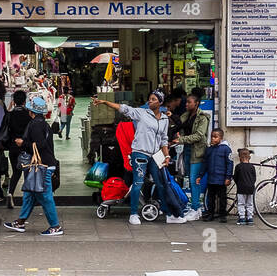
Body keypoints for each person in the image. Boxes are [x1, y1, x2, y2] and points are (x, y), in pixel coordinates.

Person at [92, 91, 186, 225]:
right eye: (149, 99)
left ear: (160, 103)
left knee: (160, 183)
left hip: (155, 155)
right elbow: (122, 108)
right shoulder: (141, 113)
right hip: (140, 153)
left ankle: (169, 214)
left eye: (153, 99)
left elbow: (164, 140)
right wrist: (105, 102)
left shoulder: (164, 119)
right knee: (138, 183)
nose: (150, 101)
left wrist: (167, 156)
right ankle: (133, 214)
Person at [2, 95, 63, 236]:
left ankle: (55, 226)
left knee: (44, 196)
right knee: (29, 194)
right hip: (44, 164)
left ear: (31, 111)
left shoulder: (35, 125)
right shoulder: (43, 123)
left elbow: (39, 145)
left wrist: (22, 143)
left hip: (42, 166)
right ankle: (20, 222)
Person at [172, 92, 210, 217]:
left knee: (194, 180)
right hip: (187, 150)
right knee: (191, 178)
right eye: (186, 102)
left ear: (196, 103)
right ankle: (195, 207)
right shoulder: (186, 115)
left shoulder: (202, 117)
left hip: (197, 152)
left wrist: (181, 139)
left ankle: (195, 208)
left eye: (189, 102)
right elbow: (179, 126)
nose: (187, 104)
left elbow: (199, 135)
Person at [1, 89, 31, 205]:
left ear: (14, 101)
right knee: (28, 172)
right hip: (25, 147)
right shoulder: (28, 115)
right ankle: (28, 198)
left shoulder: (9, 115)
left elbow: (4, 130)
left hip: (13, 147)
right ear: (24, 101)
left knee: (16, 172)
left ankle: (10, 193)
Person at [201, 128, 232, 222]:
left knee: (222, 198)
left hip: (221, 179)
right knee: (211, 198)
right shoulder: (209, 149)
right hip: (211, 179)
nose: (213, 139)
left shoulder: (226, 149)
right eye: (212, 137)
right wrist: (200, 175)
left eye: (215, 137)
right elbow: (205, 163)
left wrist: (228, 177)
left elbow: (229, 163)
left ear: (221, 138)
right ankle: (210, 214)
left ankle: (223, 215)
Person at [233, 148, 256, 226]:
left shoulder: (238, 167)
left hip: (241, 188)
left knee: (241, 203)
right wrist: (251, 184)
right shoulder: (252, 167)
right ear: (249, 157)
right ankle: (250, 218)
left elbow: (235, 177)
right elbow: (254, 178)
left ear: (239, 158)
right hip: (250, 188)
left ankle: (242, 218)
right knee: (250, 203)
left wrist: (238, 183)